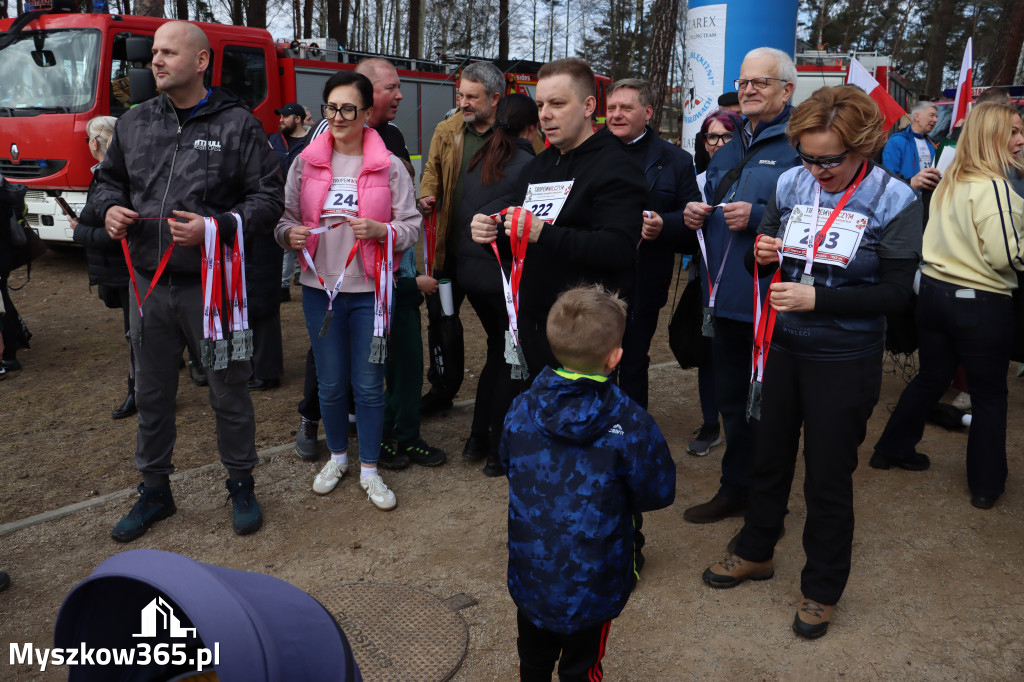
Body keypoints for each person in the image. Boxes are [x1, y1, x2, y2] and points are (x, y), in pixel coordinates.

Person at [700, 84, 923, 639]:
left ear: (864, 148)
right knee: (768, 456)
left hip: (844, 356)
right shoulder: (790, 180)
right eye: (807, 155)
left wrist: (820, 298)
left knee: (827, 474)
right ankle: (757, 549)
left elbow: (899, 294)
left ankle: (822, 586)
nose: (818, 169)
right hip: (781, 344)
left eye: (832, 159)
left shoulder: (895, 199)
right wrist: (764, 253)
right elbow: (769, 251)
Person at [92, 21, 284, 541]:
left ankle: (241, 483)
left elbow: (269, 200)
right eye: (153, 52)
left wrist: (213, 228)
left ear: (200, 62)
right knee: (152, 394)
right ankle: (155, 490)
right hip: (149, 288)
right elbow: (106, 183)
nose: (155, 61)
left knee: (229, 390)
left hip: (213, 288)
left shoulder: (238, 125)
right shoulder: (133, 123)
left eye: (168, 53)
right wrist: (110, 210)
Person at [471, 57, 648, 472]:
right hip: (535, 324)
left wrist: (542, 233)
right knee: (543, 441)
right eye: (540, 106)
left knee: (583, 448)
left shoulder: (616, 166)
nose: (545, 116)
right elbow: (522, 235)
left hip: (583, 336)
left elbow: (619, 247)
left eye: (557, 104)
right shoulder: (540, 165)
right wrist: (490, 235)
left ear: (588, 106)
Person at [502, 285, 675, 680]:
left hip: (533, 572)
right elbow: (657, 491)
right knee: (583, 667)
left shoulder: (521, 407)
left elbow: (509, 461)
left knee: (533, 660)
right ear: (615, 357)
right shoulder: (631, 422)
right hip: (594, 579)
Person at [275, 70, 419, 510]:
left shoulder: (389, 166)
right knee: (332, 384)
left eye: (348, 109)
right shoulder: (305, 162)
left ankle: (370, 470)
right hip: (320, 289)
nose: (337, 117)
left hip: (370, 292)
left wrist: (382, 230)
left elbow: (411, 226)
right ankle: (338, 458)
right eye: (331, 108)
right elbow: (282, 221)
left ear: (366, 113)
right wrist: (290, 236)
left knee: (369, 385)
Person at [870, 102, 1024, 510]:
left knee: (932, 376)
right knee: (990, 395)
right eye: (1012, 131)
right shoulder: (993, 187)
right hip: (980, 302)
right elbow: (1006, 256)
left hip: (935, 295)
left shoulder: (952, 178)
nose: (1020, 139)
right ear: (990, 136)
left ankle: (891, 448)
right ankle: (987, 483)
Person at [681, 47, 801, 525]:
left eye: (761, 82)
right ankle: (734, 490)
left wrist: (759, 219)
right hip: (723, 300)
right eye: (744, 81)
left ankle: (766, 504)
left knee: (768, 411)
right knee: (732, 402)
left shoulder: (800, 145)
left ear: (787, 90)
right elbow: (710, 207)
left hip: (771, 302)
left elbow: (821, 223)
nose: (748, 89)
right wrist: (691, 217)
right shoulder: (729, 145)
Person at [455, 93, 539, 474]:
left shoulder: (480, 156)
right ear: (533, 128)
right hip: (502, 276)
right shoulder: (528, 165)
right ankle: (497, 452)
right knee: (510, 357)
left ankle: (477, 437)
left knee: (496, 352)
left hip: (473, 274)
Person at [605, 78, 700, 410]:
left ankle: (631, 436)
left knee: (631, 362)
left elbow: (693, 224)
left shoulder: (675, 160)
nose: (616, 115)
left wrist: (665, 225)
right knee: (594, 364)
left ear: (647, 112)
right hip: (594, 278)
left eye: (626, 108)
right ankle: (594, 435)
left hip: (644, 281)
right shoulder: (590, 151)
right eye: (612, 108)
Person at [418, 61, 506, 416]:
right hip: (448, 253)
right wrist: (426, 194)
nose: (463, 102)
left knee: (498, 327)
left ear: (495, 98)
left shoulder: (512, 134)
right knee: (441, 322)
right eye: (461, 94)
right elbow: (431, 170)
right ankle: (442, 388)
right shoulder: (447, 128)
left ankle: (500, 389)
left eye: (472, 96)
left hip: (492, 257)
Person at [71, 115, 137, 418]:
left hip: (126, 269)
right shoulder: (105, 175)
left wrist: (78, 231)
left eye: (87, 139)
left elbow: (116, 235)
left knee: (135, 333)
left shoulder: (113, 178)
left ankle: (138, 392)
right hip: (119, 269)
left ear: (95, 142)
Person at [686, 109, 739, 458]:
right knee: (708, 355)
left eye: (726, 137)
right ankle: (710, 423)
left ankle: (740, 425)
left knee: (737, 357)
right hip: (703, 282)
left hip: (742, 284)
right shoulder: (697, 180)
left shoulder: (750, 179)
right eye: (711, 137)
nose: (718, 144)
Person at [270, 102, 309, 304]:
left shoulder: (310, 141)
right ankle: (283, 286)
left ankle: (307, 277)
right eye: (281, 116)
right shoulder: (274, 140)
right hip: (278, 198)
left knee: (306, 239)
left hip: (304, 199)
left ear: (298, 119)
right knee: (284, 243)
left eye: (285, 116)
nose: (281, 120)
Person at [881, 101, 940, 195]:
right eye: (932, 115)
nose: (936, 120)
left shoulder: (932, 144)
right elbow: (887, 179)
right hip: (905, 202)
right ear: (917, 117)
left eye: (936, 117)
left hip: (929, 202)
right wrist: (911, 183)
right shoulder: (897, 141)